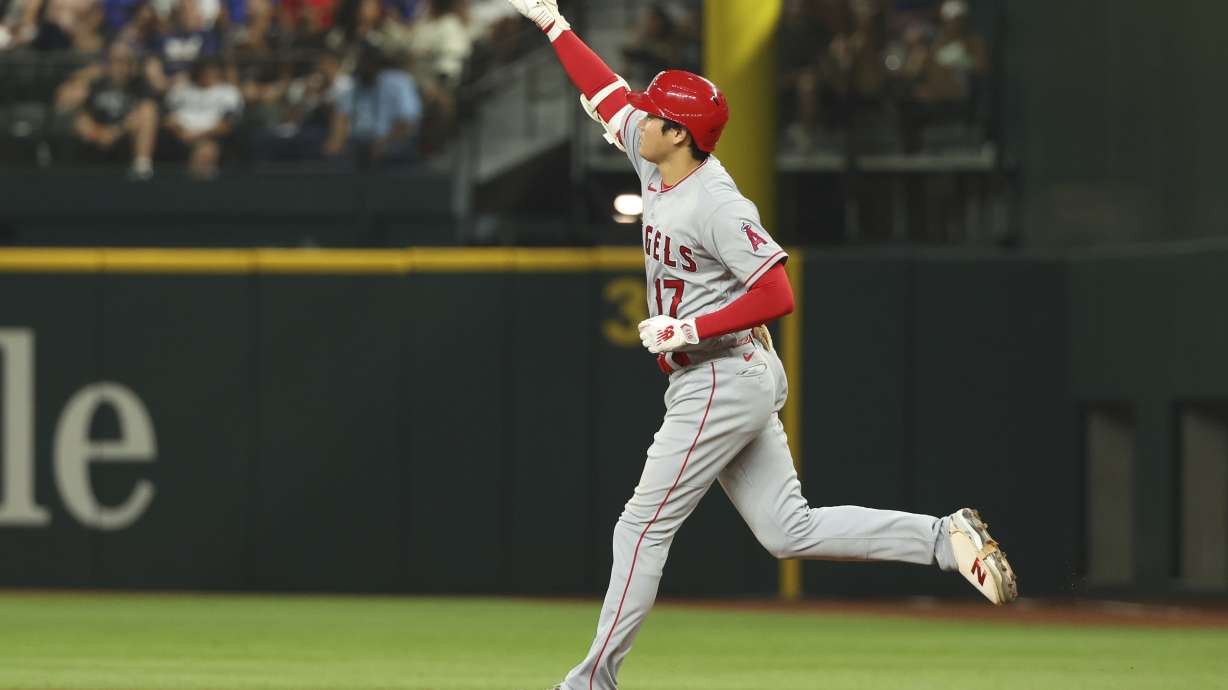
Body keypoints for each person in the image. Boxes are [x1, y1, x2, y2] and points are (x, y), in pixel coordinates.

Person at [501, 2, 1019, 689]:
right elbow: (605, 92)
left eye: (655, 113)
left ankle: (591, 681)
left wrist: (688, 328)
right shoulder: (656, 159)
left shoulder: (716, 202)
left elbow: (778, 292)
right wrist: (554, 25)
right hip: (727, 371)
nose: (639, 116)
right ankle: (942, 539)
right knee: (788, 531)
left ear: (680, 134)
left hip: (719, 373)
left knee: (640, 526)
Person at [323, 41, 421, 167]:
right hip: (359, 142)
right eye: (359, 62)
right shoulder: (356, 85)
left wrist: (383, 143)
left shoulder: (398, 82)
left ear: (376, 63)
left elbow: (407, 121)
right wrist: (336, 140)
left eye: (365, 62)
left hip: (392, 142)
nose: (361, 66)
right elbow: (341, 115)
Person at [70, 40, 158, 177]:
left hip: (125, 137)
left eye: (124, 61)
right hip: (98, 135)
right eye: (114, 60)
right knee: (79, 117)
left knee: (147, 112)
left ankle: (142, 166)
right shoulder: (97, 83)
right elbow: (81, 114)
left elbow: (144, 113)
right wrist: (99, 134)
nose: (118, 66)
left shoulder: (139, 84)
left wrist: (115, 132)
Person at [162, 56, 243, 177]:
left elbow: (226, 124)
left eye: (212, 69)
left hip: (211, 137)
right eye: (204, 70)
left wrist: (197, 135)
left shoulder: (229, 92)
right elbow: (167, 118)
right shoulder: (180, 89)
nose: (208, 73)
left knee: (206, 150)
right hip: (179, 137)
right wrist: (181, 133)